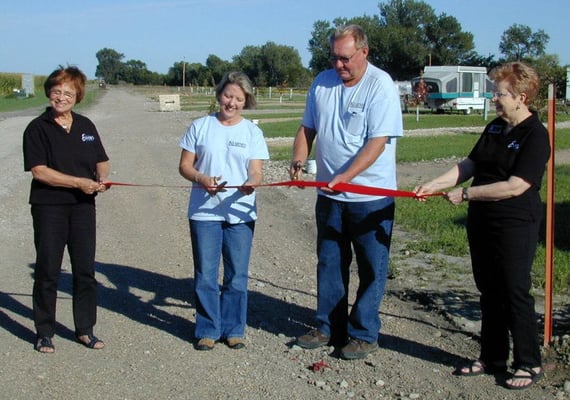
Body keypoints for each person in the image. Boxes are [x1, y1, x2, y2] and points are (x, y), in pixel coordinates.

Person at [414, 62, 549, 390]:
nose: (493, 98)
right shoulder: (494, 127)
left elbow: (517, 185)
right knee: (488, 290)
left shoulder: (536, 134)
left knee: (514, 290)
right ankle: (492, 356)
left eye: (498, 93)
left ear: (521, 96)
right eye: (493, 92)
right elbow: (469, 165)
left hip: (514, 222)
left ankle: (528, 362)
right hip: (482, 221)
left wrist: (467, 194)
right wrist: (433, 184)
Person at [290, 24, 403, 360]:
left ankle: (364, 333)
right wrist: (298, 159)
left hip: (371, 199)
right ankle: (328, 327)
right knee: (329, 263)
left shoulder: (380, 86)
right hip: (330, 197)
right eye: (334, 58)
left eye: (345, 58)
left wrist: (344, 175)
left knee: (371, 267)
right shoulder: (321, 83)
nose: (339, 65)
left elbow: (377, 143)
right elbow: (306, 128)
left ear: (363, 52)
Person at [178, 71, 269, 351]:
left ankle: (234, 329)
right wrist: (202, 179)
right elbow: (185, 166)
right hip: (205, 213)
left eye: (239, 98)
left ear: (246, 101)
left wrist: (252, 183)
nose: (232, 102)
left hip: (240, 212)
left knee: (237, 275)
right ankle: (207, 328)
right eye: (228, 95)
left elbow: (256, 171)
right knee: (206, 274)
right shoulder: (200, 126)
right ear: (219, 95)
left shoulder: (252, 131)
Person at [23, 66, 110, 353]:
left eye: (68, 93)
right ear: (49, 93)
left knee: (85, 270)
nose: (62, 97)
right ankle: (44, 331)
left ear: (78, 96)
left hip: (83, 208)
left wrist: (102, 180)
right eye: (57, 91)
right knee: (48, 270)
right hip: (50, 208)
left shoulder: (86, 126)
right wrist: (77, 183)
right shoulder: (37, 128)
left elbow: (101, 159)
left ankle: (85, 329)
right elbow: (40, 172)